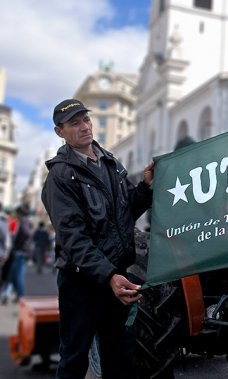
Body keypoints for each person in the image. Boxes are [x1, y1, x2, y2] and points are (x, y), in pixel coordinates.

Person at [41, 99, 154, 378]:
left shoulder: (110, 162)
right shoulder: (60, 176)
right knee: (74, 360)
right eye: (75, 123)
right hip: (81, 284)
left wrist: (146, 187)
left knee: (120, 357)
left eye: (86, 120)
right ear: (60, 132)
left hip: (116, 278)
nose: (84, 127)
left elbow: (126, 211)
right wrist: (108, 276)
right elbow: (73, 239)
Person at [0, 205, 34, 304]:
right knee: (12, 275)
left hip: (20, 252)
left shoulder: (24, 222)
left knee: (17, 276)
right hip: (20, 252)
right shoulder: (25, 222)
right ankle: (11, 294)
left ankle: (20, 296)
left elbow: (26, 233)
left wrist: (18, 242)